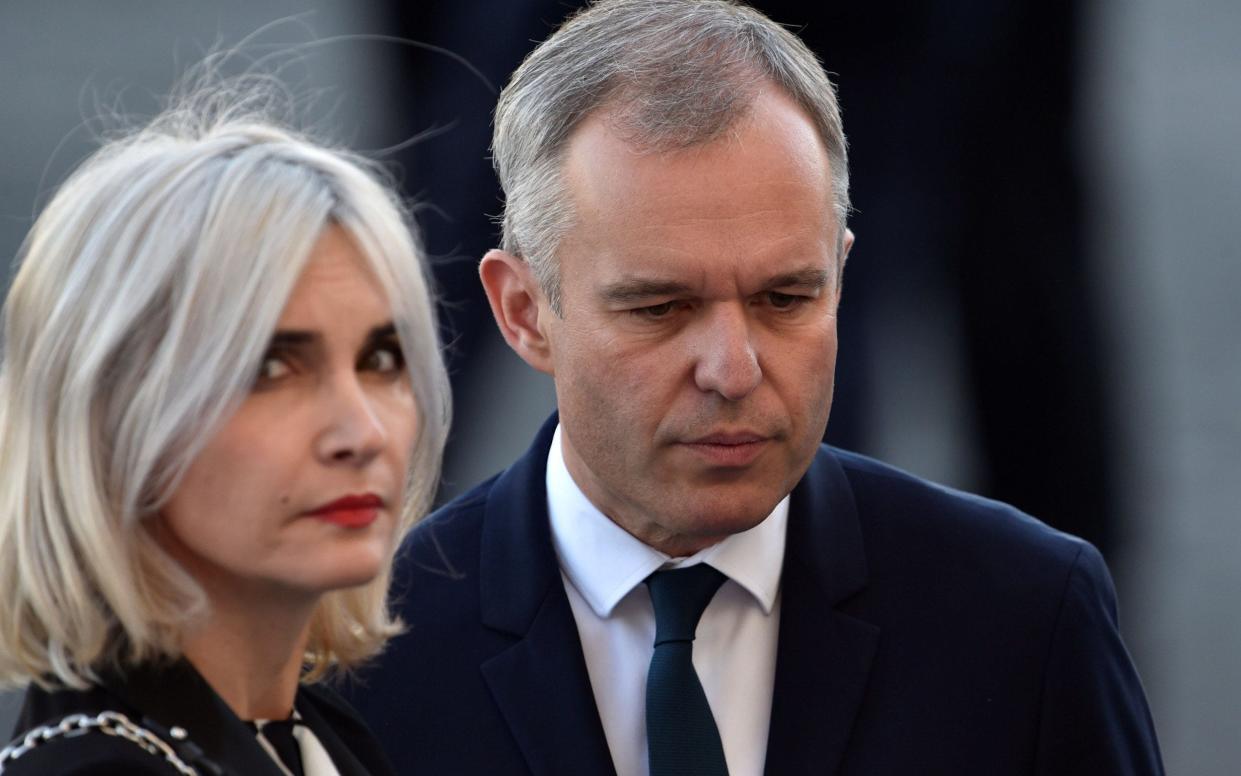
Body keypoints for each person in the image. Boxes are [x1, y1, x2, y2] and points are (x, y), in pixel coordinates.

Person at [347, 1, 1163, 774]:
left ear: (840, 278)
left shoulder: (1029, 621)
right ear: (523, 313)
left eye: (786, 299)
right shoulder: (351, 664)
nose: (733, 371)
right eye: (660, 307)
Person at [0, 81, 451, 775]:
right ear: (111, 416)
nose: (361, 433)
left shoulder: (322, 737)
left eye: (381, 360)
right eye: (269, 369)